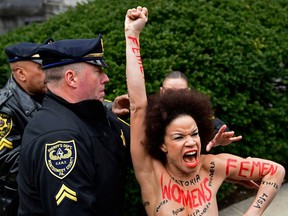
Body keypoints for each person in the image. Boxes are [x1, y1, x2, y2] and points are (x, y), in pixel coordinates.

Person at [125, 6, 285, 216]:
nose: (191, 141)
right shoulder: (151, 172)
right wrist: (132, 35)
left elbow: (275, 171)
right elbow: (138, 107)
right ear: (162, 144)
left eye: (194, 133)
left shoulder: (211, 167)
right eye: (179, 137)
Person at [17, 35, 130, 215]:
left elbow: (141, 144)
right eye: (98, 71)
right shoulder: (59, 137)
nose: (106, 78)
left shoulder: (92, 114)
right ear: (71, 78)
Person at [0, 40, 52, 216]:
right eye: (43, 68)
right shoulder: (4, 109)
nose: (51, 73)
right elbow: (8, 165)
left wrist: (109, 107)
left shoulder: (43, 92)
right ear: (21, 74)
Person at [160, 71, 242, 152]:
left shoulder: (197, 112)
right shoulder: (150, 113)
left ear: (188, 92)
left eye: (181, 92)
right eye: (169, 92)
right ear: (161, 91)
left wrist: (218, 140)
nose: (175, 96)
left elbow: (217, 127)